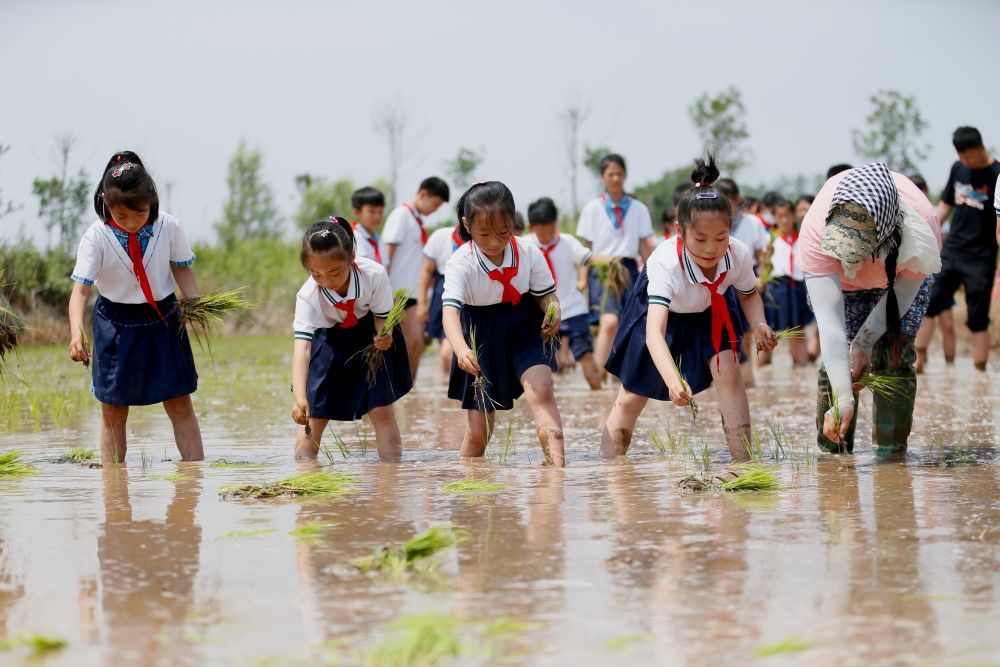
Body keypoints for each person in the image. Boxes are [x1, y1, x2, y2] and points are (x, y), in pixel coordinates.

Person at [602, 156, 777, 461]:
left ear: (730, 230)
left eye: (720, 237)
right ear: (679, 232)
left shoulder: (738, 253)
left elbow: (748, 295)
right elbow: (654, 333)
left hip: (713, 311)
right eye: (700, 239)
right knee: (632, 396)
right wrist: (673, 380)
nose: (711, 248)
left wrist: (759, 323)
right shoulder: (665, 261)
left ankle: (745, 464)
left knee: (731, 375)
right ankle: (609, 471)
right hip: (661, 318)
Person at [68, 151, 203, 463]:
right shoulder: (96, 237)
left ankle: (195, 479)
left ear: (152, 199)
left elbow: (182, 269)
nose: (130, 223)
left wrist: (196, 305)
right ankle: (115, 494)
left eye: (139, 214)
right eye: (121, 215)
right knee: (113, 410)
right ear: (106, 201)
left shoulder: (169, 227)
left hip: (164, 317)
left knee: (180, 402)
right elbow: (80, 291)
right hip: (115, 323)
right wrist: (76, 332)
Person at [798, 162, 941, 458]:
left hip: (897, 280)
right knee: (836, 366)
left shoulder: (922, 226)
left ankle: (891, 456)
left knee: (893, 355)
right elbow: (830, 325)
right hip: (840, 288)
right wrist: (844, 397)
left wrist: (865, 343)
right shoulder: (815, 228)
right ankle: (833, 453)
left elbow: (900, 298)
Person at [442, 181, 565, 466]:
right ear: (467, 225)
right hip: (479, 333)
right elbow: (450, 313)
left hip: (524, 325)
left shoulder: (528, 251)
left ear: (513, 223)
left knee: (542, 389)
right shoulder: (461, 262)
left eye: (503, 232)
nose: (495, 241)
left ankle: (558, 472)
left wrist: (553, 311)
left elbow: (546, 294)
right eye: (484, 233)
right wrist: (460, 350)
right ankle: (469, 479)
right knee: (479, 430)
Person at [290, 217, 411, 461]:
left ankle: (391, 481)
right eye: (316, 274)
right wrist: (300, 397)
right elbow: (302, 348)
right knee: (315, 415)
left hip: (369, 337)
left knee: (381, 410)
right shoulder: (307, 295)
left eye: (334, 272)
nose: (327, 281)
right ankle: (304, 472)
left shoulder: (374, 275)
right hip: (330, 340)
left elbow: (381, 319)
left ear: (352, 256)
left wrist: (384, 335)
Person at [920, 127, 1000, 371]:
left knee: (978, 318)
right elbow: (943, 208)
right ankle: (918, 362)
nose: (966, 162)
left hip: (982, 257)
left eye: (970, 157)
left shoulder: (997, 174)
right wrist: (925, 233)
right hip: (953, 251)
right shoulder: (958, 169)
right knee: (928, 304)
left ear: (981, 148)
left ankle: (980, 373)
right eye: (962, 157)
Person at [576, 154, 655, 381]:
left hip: (629, 268)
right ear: (602, 177)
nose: (616, 178)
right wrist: (582, 279)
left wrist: (652, 274)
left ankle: (623, 376)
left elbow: (642, 245)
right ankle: (599, 379)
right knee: (609, 322)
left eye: (619, 173)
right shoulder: (593, 208)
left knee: (630, 324)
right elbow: (586, 247)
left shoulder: (638, 208)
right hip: (602, 269)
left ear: (626, 175)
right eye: (611, 174)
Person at [526, 196, 602, 389]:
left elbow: (588, 258)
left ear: (555, 224)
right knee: (542, 364)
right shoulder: (525, 246)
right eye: (541, 233)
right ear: (531, 228)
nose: (545, 237)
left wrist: (610, 261)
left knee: (585, 355)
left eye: (550, 230)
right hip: (542, 313)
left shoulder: (567, 242)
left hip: (572, 309)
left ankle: (599, 395)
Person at [383, 176, 450, 381]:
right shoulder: (401, 215)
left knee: (416, 344)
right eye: (436, 204)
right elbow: (388, 251)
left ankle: (407, 390)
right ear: (423, 195)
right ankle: (392, 392)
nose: (435, 210)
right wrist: (383, 288)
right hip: (395, 292)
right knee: (395, 346)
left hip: (410, 294)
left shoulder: (415, 220)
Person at [715, 177, 770, 384]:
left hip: (748, 275)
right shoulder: (713, 219)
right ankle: (735, 374)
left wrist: (761, 278)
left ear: (737, 199)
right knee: (729, 329)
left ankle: (750, 374)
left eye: (727, 200)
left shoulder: (752, 222)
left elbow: (763, 253)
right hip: (720, 278)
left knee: (748, 327)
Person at [908, 174, 955, 370]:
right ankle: (920, 362)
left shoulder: (936, 214)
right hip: (916, 275)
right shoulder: (905, 214)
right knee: (921, 320)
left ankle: (950, 368)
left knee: (948, 324)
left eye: (922, 189)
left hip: (940, 274)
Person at [762, 199, 813, 366]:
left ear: (793, 216)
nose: (784, 220)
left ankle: (801, 366)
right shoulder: (770, 239)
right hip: (777, 288)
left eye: (787, 216)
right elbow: (764, 266)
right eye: (780, 216)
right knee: (770, 331)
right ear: (775, 218)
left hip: (796, 288)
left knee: (797, 330)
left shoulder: (802, 239)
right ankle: (762, 367)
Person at [418, 222, 463, 376]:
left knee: (447, 351)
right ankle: (443, 390)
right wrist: (422, 302)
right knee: (443, 347)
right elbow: (426, 270)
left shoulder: (480, 237)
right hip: (442, 289)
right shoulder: (440, 236)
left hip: (468, 290)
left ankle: (445, 391)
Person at [796, 194, 820, 361]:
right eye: (800, 210)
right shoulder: (794, 231)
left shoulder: (820, 229)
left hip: (820, 277)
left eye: (807, 208)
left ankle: (816, 347)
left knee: (821, 315)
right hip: (801, 280)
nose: (803, 213)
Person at [351, 186, 387, 266]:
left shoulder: (380, 242)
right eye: (372, 212)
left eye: (380, 212)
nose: (377, 217)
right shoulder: (352, 239)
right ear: (357, 212)